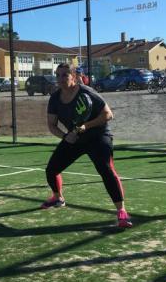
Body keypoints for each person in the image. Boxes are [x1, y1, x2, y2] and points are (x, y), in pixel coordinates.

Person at [43, 63, 132, 228]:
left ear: (74, 77)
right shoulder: (55, 98)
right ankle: (58, 198)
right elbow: (51, 125)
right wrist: (65, 136)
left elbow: (108, 114)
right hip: (75, 138)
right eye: (58, 75)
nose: (60, 79)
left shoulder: (86, 92)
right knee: (51, 169)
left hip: (98, 136)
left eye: (64, 75)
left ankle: (122, 212)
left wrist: (86, 126)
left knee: (106, 169)